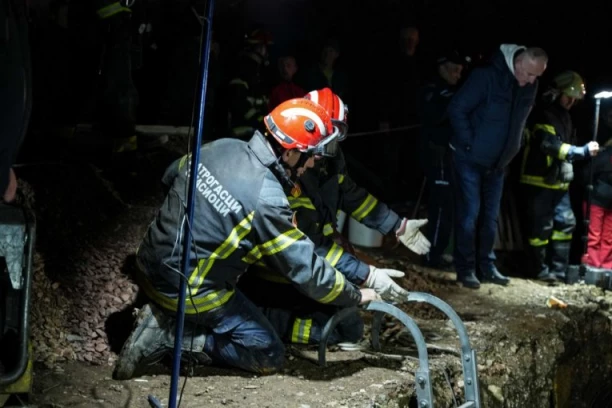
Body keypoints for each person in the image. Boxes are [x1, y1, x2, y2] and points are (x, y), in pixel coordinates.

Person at [113, 98, 380, 380]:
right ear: (289, 153)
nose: (313, 163)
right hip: (187, 290)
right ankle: (170, 336)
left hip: (147, 263)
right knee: (268, 353)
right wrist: (354, 294)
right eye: (311, 154)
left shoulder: (223, 146)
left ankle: (167, 315)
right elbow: (306, 270)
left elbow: (169, 177)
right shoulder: (268, 197)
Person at [238, 88, 430, 346]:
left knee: (348, 323)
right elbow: (310, 243)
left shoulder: (328, 158)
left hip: (314, 259)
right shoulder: (289, 172)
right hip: (281, 272)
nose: (330, 145)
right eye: (328, 135)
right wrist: (366, 274)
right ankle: (272, 321)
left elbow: (351, 195)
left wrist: (396, 225)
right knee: (341, 329)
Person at [447, 45, 548, 289]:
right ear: (519, 62)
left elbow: (518, 122)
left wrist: (511, 151)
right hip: (469, 159)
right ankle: (465, 268)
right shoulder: (487, 76)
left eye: (537, 77)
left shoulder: (530, 85)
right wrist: (470, 145)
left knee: (490, 219)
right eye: (529, 74)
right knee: (470, 214)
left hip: (499, 165)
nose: (531, 81)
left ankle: (487, 266)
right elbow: (456, 108)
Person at [520, 71, 599, 281]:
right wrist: (581, 151)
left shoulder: (566, 116)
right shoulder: (542, 113)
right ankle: (538, 272)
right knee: (540, 230)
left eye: (574, 98)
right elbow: (549, 145)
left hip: (559, 182)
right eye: (568, 96)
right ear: (557, 92)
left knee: (565, 224)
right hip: (539, 181)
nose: (571, 101)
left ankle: (558, 272)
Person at [418, 50, 469, 269]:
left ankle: (440, 252)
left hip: (452, 155)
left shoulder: (455, 91)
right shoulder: (433, 90)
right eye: (455, 70)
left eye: (460, 71)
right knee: (440, 206)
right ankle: (432, 255)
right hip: (437, 154)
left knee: (449, 205)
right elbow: (432, 117)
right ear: (443, 68)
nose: (459, 75)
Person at [582, 138, 612, 270]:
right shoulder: (604, 155)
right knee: (594, 236)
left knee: (609, 237)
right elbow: (586, 174)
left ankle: (606, 268)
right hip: (596, 200)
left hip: (608, 203)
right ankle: (592, 266)